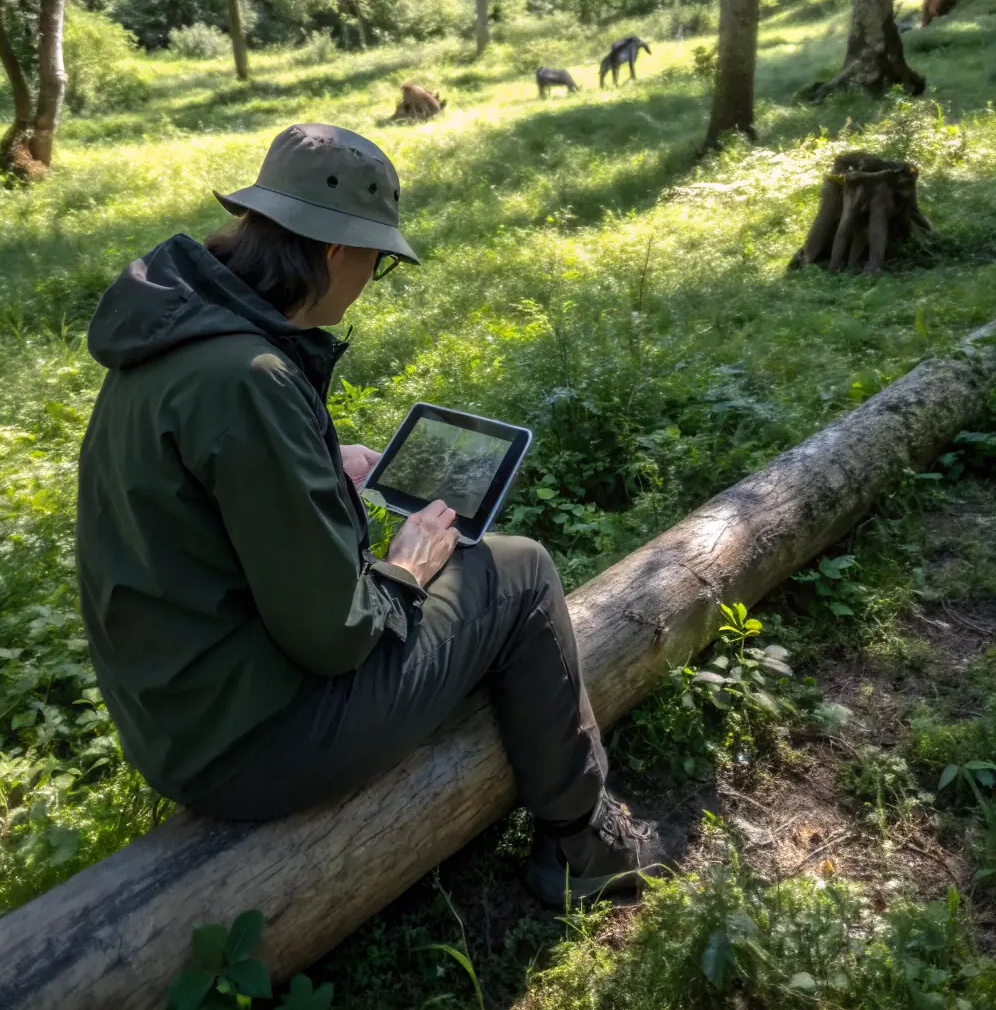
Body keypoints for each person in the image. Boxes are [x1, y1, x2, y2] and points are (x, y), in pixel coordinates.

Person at [75, 123, 664, 904]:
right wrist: (407, 566)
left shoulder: (179, 336)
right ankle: (584, 845)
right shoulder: (250, 378)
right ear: (334, 252)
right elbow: (337, 633)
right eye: (378, 262)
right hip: (249, 741)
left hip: (177, 715)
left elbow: (206, 518)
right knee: (518, 569)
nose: (371, 278)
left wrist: (313, 471)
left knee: (487, 573)